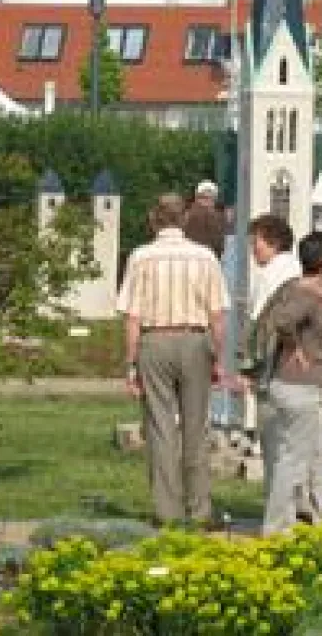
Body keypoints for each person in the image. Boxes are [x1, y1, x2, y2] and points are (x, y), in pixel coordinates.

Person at [116, 194, 231, 525]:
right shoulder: (205, 257)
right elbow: (217, 316)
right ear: (184, 220)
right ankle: (200, 510)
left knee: (160, 428)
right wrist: (218, 358)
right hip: (195, 339)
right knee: (196, 428)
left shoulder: (141, 257)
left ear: (154, 220)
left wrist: (130, 365)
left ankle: (167, 511)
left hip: (154, 341)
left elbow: (132, 317)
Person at [245, 220, 322, 534]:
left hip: (297, 385)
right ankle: (276, 527)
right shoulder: (307, 293)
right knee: (293, 460)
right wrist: (296, 348)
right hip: (297, 385)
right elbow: (284, 321)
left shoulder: (298, 288)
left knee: (321, 455)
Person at [183, 180, 227, 259]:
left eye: (211, 198)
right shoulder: (214, 216)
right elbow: (218, 243)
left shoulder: (187, 214)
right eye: (204, 198)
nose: (208, 201)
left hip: (189, 257)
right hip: (208, 258)